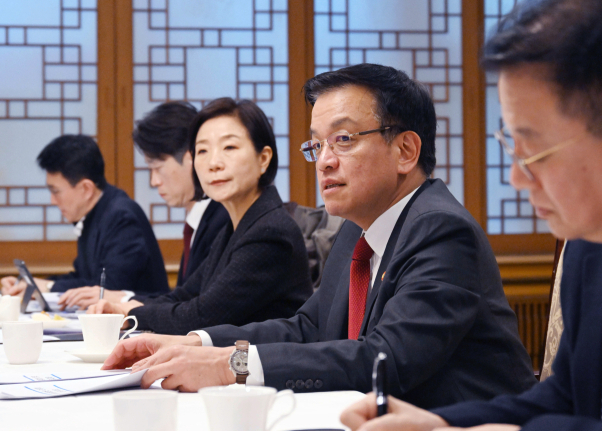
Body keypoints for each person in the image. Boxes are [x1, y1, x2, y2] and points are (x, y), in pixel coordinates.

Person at [101, 63, 536, 406]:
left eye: (343, 139)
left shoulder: (441, 229)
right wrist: (196, 342)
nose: (324, 160)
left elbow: (384, 357)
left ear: (405, 150)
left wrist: (229, 365)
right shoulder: (356, 231)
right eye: (317, 145)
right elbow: (308, 327)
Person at [340, 0, 602, 430]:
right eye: (512, 146)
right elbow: (567, 396)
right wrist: (441, 424)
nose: (517, 177)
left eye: (536, 151)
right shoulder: (592, 246)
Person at [87, 98, 313, 335]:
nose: (213, 163)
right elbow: (185, 295)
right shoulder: (235, 227)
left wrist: (134, 314)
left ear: (263, 159)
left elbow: (202, 316)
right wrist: (123, 309)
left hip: (263, 358)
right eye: (203, 151)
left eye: (229, 147)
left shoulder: (270, 231)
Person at [57, 102, 229, 310]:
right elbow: (183, 299)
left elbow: (197, 307)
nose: (154, 181)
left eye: (157, 168)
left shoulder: (223, 220)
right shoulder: (200, 219)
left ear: (190, 158)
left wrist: (123, 299)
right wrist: (123, 298)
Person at [0, 135, 169, 301]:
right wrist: (34, 284)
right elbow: (84, 277)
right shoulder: (95, 214)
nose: (52, 200)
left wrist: (49, 287)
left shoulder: (121, 217)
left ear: (86, 189)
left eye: (56, 191)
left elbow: (108, 288)